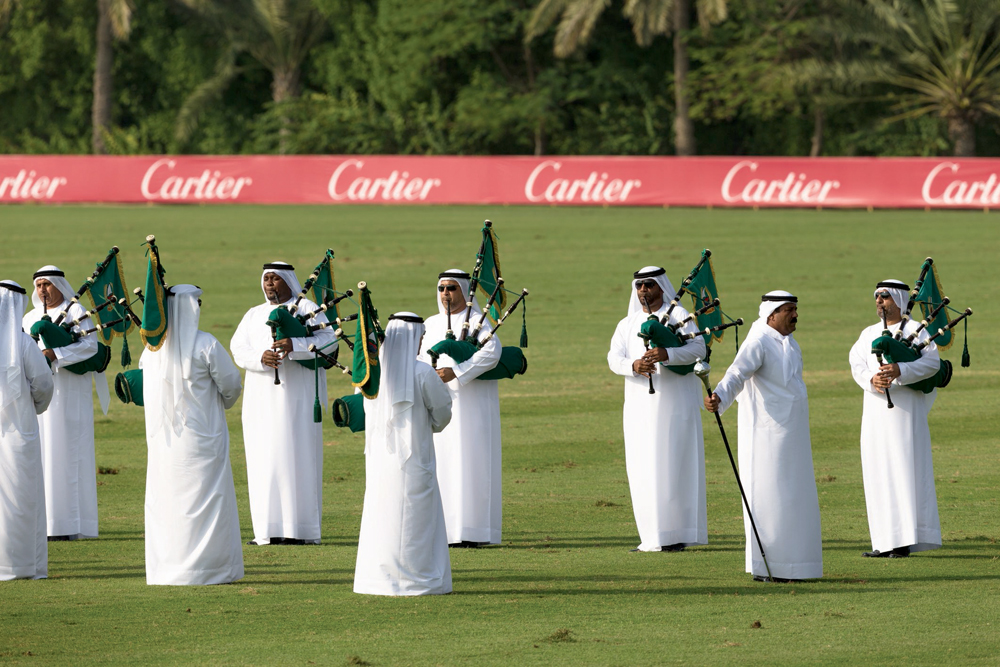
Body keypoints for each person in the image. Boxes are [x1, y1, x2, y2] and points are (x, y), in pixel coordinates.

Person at [704, 291, 823, 582]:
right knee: (771, 496)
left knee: (795, 496)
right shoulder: (759, 340)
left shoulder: (788, 341)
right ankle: (771, 567)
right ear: (772, 315)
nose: (795, 315)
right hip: (767, 435)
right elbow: (736, 374)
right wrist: (719, 396)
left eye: (795, 309)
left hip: (793, 433)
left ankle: (797, 565)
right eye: (789, 310)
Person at [140, 285, 244, 585]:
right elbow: (232, 385)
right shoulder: (206, 343)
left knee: (168, 500)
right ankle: (210, 569)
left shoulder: (151, 350)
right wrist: (221, 403)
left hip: (163, 441)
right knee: (206, 499)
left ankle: (169, 568)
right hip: (203, 436)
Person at [231, 262, 335, 546]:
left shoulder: (308, 309)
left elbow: (330, 343)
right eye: (266, 278)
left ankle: (300, 531)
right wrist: (260, 358)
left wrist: (296, 346)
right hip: (261, 401)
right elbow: (238, 348)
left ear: (288, 281)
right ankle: (266, 530)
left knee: (298, 459)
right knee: (263, 462)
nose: (270, 283)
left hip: (297, 400)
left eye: (275, 278)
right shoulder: (253, 314)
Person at [607, 266, 708, 553]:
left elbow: (699, 349)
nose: (643, 290)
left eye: (649, 285)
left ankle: (676, 535)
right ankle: (651, 536)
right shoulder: (627, 324)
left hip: (675, 405)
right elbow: (613, 358)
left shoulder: (679, 316)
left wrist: (668, 354)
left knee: (673, 466)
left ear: (661, 287)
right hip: (639, 408)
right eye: (639, 285)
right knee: (642, 469)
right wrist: (634, 365)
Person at [355, 313, 453, 596]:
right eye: (420, 337)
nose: (422, 341)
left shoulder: (371, 374)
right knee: (415, 517)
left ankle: (378, 579)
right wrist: (428, 425)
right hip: (414, 456)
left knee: (383, 515)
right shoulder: (422, 372)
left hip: (379, 459)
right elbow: (443, 413)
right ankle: (416, 580)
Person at [848, 280, 942, 558]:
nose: (879, 301)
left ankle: (903, 541)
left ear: (899, 300)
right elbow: (856, 363)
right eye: (877, 296)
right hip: (874, 414)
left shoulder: (916, 330)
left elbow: (932, 364)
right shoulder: (868, 333)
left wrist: (901, 370)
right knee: (877, 472)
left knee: (903, 472)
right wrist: (872, 379)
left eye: (885, 296)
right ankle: (884, 540)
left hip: (905, 414)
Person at [22, 266, 108, 541]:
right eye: (38, 285)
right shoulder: (29, 317)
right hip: (38, 396)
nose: (43, 290)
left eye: (47, 284)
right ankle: (45, 524)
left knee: (69, 453)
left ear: (59, 285)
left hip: (70, 394)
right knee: (42, 454)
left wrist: (55, 354)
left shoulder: (76, 312)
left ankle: (71, 524)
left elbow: (90, 347)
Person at [417, 270, 502, 547]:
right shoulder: (430, 323)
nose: (445, 293)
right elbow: (419, 359)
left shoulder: (477, 321)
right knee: (442, 463)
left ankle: (474, 531)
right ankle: (445, 531)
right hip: (437, 404)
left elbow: (492, 353)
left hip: (472, 404)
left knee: (471, 461)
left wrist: (457, 372)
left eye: (451, 288)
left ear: (463, 291)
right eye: (441, 288)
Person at [0, 280, 54, 581]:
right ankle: (20, 566)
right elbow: (43, 385)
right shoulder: (23, 343)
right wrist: (34, 408)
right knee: (23, 497)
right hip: (19, 431)